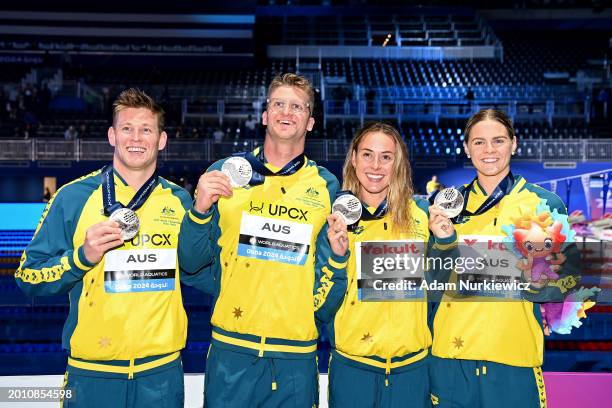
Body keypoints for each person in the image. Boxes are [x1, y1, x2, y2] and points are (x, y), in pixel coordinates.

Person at [15, 88, 209, 408]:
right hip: (91, 374)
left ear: (161, 140)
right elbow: (28, 276)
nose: (136, 137)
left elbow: (198, 270)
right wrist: (81, 258)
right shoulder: (73, 197)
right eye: (127, 128)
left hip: (161, 374)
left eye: (146, 129)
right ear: (111, 135)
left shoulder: (180, 201)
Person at [178, 73, 348, 407]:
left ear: (310, 122)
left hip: (295, 356)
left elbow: (327, 276)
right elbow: (190, 261)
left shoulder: (327, 186)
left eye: (297, 106)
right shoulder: (226, 173)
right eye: (279, 104)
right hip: (232, 351)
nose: (288, 112)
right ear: (265, 114)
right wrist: (198, 210)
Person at [430, 109, 582, 407]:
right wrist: (445, 243)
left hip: (515, 355)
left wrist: (531, 281)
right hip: (451, 356)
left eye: (498, 141)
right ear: (466, 148)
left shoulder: (543, 203)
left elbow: (568, 279)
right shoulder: (446, 206)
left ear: (514, 143)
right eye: (479, 142)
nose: (489, 151)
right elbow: (430, 281)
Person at [326, 122, 457, 408]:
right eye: (367, 154)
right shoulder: (335, 220)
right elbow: (321, 305)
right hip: (352, 369)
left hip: (412, 372)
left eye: (386, 157)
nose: (376, 165)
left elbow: (441, 287)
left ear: (398, 163)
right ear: (353, 158)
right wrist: (336, 260)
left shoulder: (422, 217)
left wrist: (447, 243)